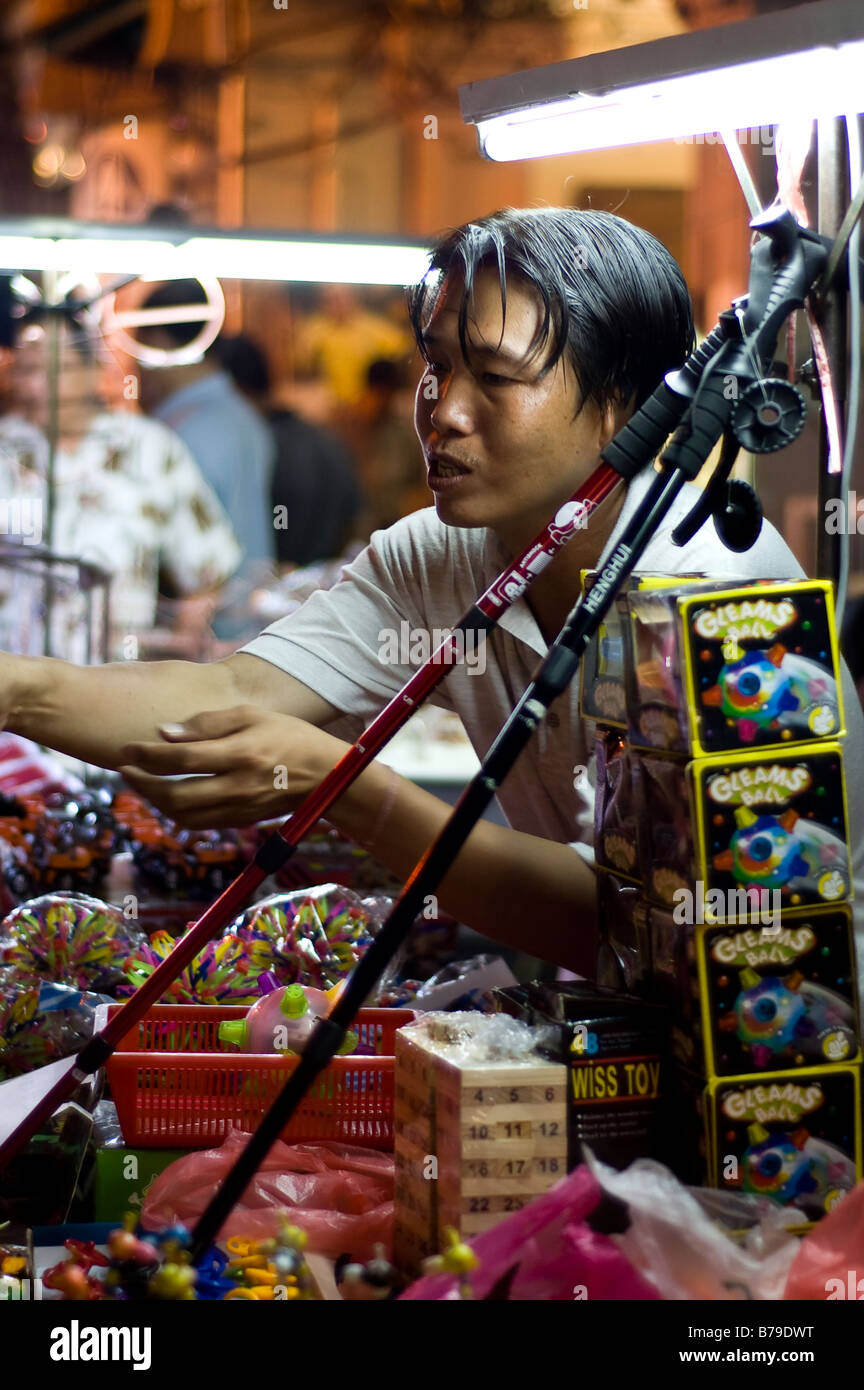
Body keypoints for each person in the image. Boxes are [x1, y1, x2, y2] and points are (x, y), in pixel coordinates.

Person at [1, 207, 862, 981]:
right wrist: (18, 690)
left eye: (494, 376)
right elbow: (231, 693)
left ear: (620, 408)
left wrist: (340, 784)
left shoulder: (712, 601)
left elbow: (650, 923)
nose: (443, 410)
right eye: (437, 367)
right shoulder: (442, 557)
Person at [0, 321, 243, 658]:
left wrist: (184, 636)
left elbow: (209, 565)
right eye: (26, 369)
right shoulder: (5, 448)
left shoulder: (149, 448)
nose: (37, 385)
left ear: (92, 370)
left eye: (59, 369)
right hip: (13, 689)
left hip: (118, 685)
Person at [135, 280, 276, 575]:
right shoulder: (245, 415)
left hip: (203, 612)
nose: (137, 366)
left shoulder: (175, 432)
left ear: (159, 342)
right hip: (249, 603)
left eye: (138, 347)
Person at [215, 334, 364, 567]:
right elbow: (354, 516)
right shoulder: (324, 439)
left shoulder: (258, 446)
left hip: (274, 589)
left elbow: (278, 529)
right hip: (324, 585)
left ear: (235, 388)